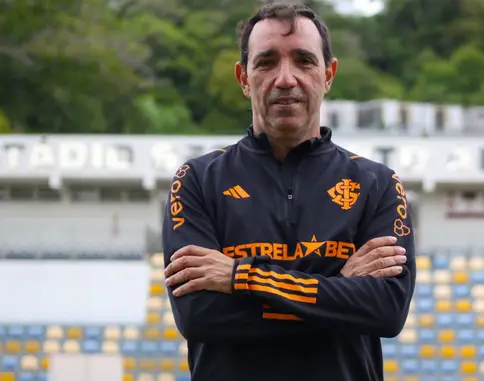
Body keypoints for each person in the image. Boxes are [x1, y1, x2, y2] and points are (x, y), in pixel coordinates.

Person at [162, 3, 416, 381]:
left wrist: (241, 279)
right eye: (265, 62)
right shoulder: (197, 180)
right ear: (243, 77)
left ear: (328, 74)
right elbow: (201, 316)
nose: (285, 78)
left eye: (303, 60)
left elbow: (386, 311)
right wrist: (340, 292)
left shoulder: (377, 183)